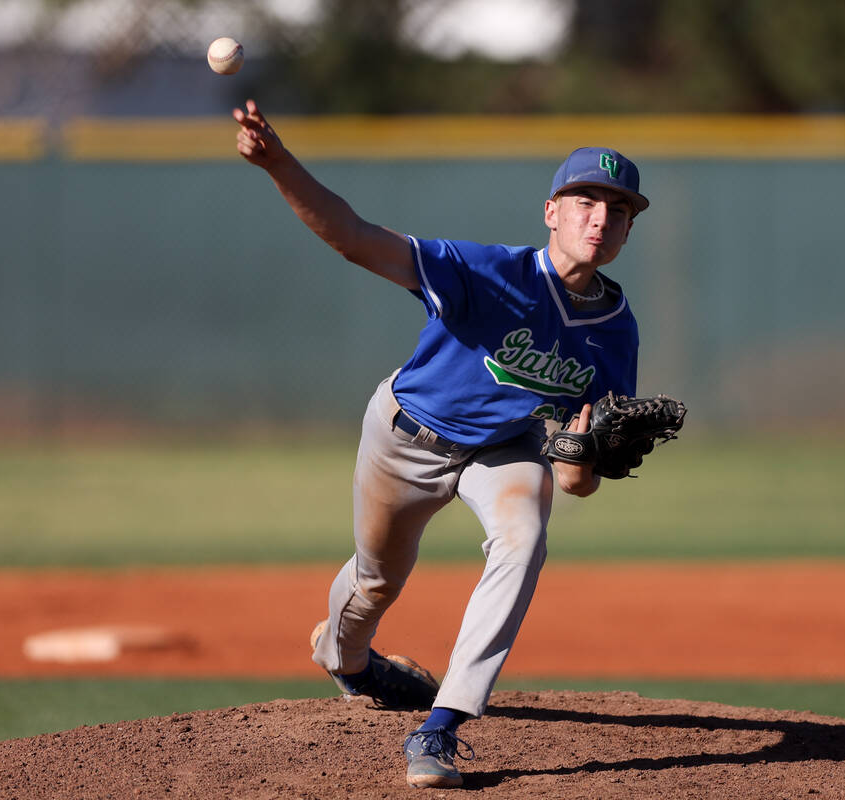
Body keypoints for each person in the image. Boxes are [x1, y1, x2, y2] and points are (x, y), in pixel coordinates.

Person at [231, 99, 648, 789]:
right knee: (376, 582)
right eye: (585, 201)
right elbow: (356, 237)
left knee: (526, 535)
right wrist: (279, 163)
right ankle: (348, 660)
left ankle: (440, 726)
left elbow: (577, 482)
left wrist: (585, 455)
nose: (600, 219)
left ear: (629, 230)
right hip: (406, 437)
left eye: (619, 209)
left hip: (503, 451)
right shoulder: (486, 273)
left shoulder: (615, 330)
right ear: (552, 212)